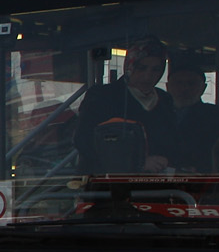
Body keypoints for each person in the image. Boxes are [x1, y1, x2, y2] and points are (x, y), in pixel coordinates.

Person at [73, 37, 174, 173]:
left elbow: (173, 141)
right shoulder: (102, 96)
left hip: (156, 181)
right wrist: (138, 163)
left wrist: (167, 160)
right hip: (106, 181)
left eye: (156, 70)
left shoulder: (165, 100)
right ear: (129, 66)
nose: (147, 76)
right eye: (141, 68)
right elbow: (84, 141)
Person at [154, 56, 219, 171]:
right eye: (178, 83)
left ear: (203, 88)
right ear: (168, 87)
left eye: (191, 83)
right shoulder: (155, 114)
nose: (184, 88)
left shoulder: (218, 116)